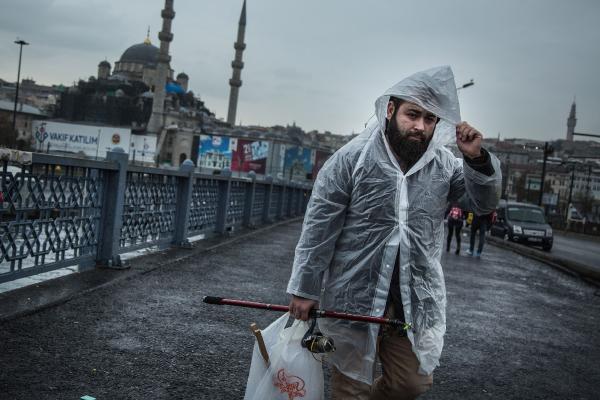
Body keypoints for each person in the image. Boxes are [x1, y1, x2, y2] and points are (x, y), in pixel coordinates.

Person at [287, 66, 501, 399]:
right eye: (412, 114)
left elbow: (482, 203)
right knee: (351, 387)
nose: (420, 126)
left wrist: (476, 159)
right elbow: (319, 228)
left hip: (410, 301)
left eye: (430, 119)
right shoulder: (351, 159)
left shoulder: (444, 165)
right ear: (390, 110)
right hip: (355, 296)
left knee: (410, 383)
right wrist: (305, 287)